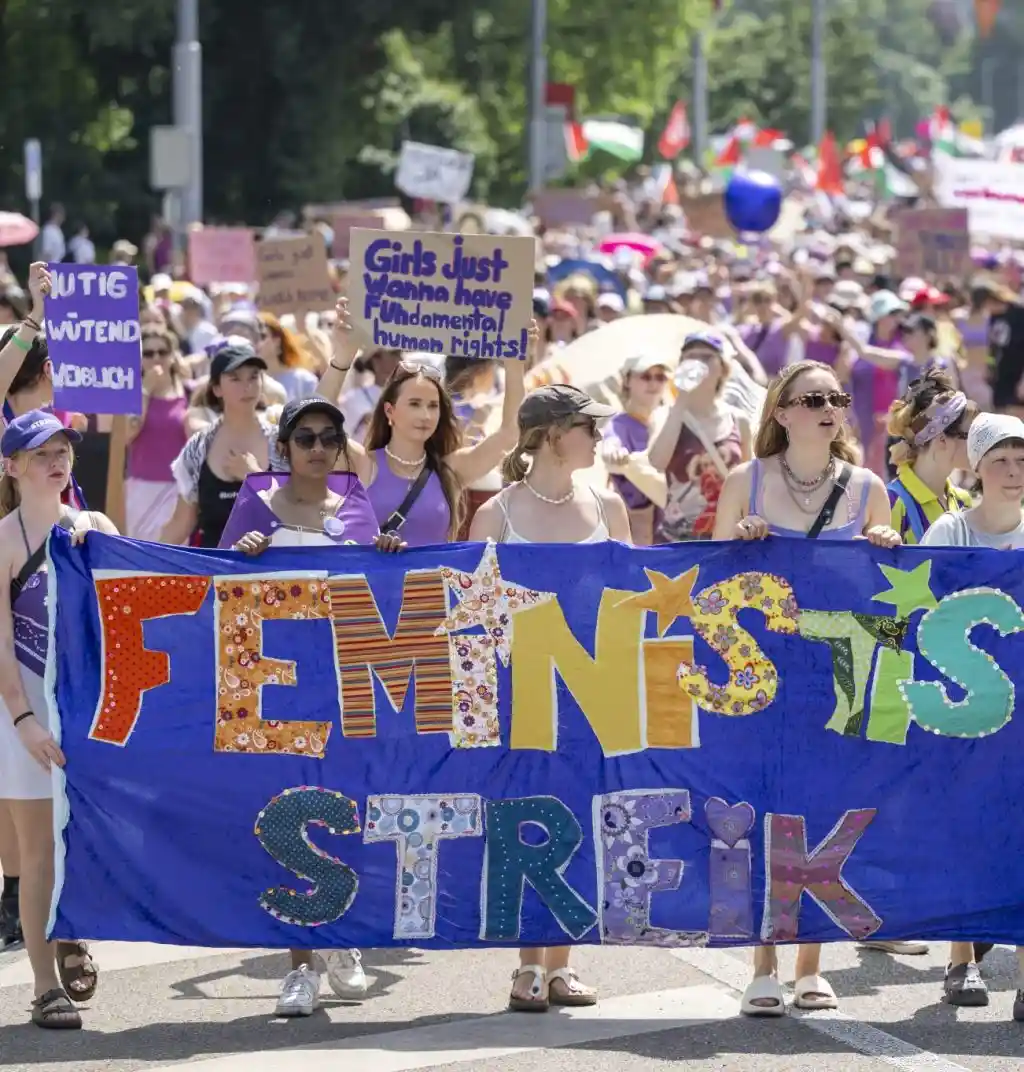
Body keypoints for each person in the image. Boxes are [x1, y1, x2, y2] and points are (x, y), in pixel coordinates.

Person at [712, 360, 901, 1016]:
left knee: (824, 809)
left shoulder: (868, 486)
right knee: (764, 809)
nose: (827, 408)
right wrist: (738, 543)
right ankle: (762, 964)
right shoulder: (745, 481)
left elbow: (882, 598)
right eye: (812, 398)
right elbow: (709, 585)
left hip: (834, 675)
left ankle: (812, 965)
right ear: (782, 412)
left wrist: (885, 544)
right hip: (760, 674)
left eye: (835, 398)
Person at [227, 397, 402, 1016]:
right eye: (306, 438)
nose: (320, 448)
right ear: (285, 447)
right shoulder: (255, 503)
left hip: (342, 679)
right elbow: (217, 588)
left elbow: (376, 592)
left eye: (330, 437)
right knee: (285, 814)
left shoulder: (356, 502)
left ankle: (344, 937)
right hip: (276, 687)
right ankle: (300, 963)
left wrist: (387, 555)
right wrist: (243, 554)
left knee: (346, 807)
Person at [470, 384, 631, 1011]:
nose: (598, 437)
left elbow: (630, 601)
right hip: (523, 690)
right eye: (588, 426)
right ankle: (527, 964)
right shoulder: (497, 514)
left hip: (593, 689)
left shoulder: (609, 506)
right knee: (522, 817)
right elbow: (474, 617)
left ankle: (562, 962)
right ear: (552, 434)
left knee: (582, 816)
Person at [0, 410, 118, 1028]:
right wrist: (23, 719)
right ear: (13, 466)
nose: (56, 462)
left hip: (86, 710)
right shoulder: (4, 539)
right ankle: (45, 986)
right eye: (41, 453)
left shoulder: (95, 526)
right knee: (38, 850)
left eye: (63, 451)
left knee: (87, 836)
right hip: (22, 712)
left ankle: (72, 931)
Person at [920, 412, 1024, 1022]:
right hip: (963, 712)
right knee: (967, 832)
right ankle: (961, 960)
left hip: (1022, 710)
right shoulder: (951, 530)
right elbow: (919, 606)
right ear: (977, 467)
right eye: (1000, 460)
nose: (1013, 472)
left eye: (1022, 460)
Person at [318, 299, 530, 547]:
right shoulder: (365, 463)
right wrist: (344, 354)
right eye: (415, 404)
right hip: (369, 574)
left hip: (435, 575)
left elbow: (509, 434)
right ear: (390, 410)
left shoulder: (450, 470)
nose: (425, 415)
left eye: (433, 406)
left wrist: (515, 364)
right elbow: (318, 423)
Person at [160, 342, 279, 547]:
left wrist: (254, 477)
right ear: (216, 388)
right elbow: (181, 523)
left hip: (271, 564)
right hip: (213, 563)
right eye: (235, 378)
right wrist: (142, 560)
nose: (247, 386)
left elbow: (298, 514)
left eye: (253, 376)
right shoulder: (198, 447)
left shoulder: (281, 443)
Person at [648, 329, 752, 543]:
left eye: (706, 357)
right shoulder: (665, 415)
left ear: (723, 368)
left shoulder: (738, 420)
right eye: (690, 358)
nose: (697, 364)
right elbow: (657, 461)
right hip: (678, 540)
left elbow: (750, 481)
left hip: (728, 538)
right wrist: (681, 400)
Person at [885, 371, 975, 545]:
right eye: (970, 434)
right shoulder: (892, 502)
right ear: (942, 440)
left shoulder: (963, 501)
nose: (977, 442)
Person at [125, 325, 190, 541]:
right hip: (142, 489)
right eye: (148, 353)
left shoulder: (189, 392)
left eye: (162, 352)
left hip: (180, 490)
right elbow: (127, 434)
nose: (156, 358)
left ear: (172, 356)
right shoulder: (133, 394)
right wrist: (145, 390)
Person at [600, 353, 669, 544]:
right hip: (637, 537)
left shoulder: (670, 420)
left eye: (660, 377)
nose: (653, 383)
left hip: (675, 534)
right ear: (627, 381)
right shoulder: (619, 424)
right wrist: (615, 454)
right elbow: (611, 443)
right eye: (645, 376)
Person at [256, 312, 319, 402]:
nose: (257, 343)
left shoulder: (303, 380)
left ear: (277, 341)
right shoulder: (249, 384)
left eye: (262, 336)